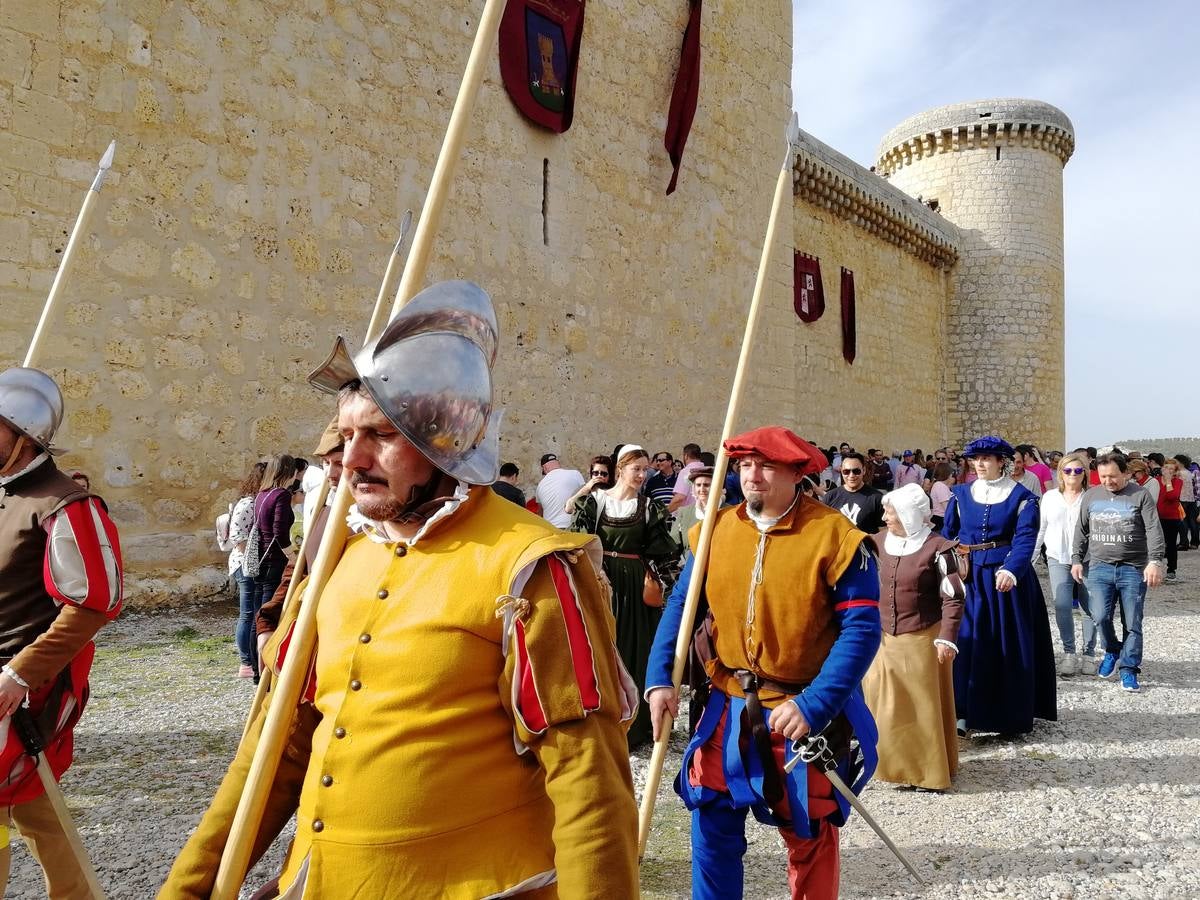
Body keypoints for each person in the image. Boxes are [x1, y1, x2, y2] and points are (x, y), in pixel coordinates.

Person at [162, 281, 639, 898]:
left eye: (381, 435)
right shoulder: (341, 562)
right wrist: (188, 888)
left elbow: (588, 778)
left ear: (445, 440)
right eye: (345, 435)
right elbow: (273, 753)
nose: (351, 459)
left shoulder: (529, 564)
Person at [646, 426, 881, 900]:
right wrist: (658, 680)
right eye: (745, 464)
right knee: (710, 820)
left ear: (798, 472)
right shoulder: (715, 529)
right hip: (726, 704)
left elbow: (862, 631)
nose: (752, 475)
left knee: (808, 833)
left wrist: (816, 704)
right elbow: (681, 604)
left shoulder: (837, 538)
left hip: (799, 712)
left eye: (766, 465)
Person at [0, 367, 123, 898]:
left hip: (19, 694)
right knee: (23, 811)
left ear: (22, 436)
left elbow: (95, 604)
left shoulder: (66, 505)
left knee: (31, 807)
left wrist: (20, 674)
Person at [942, 436, 1056, 736]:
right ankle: (962, 711)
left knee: (1004, 643)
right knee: (966, 639)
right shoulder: (960, 494)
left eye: (987, 458)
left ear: (1001, 462)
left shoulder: (1022, 498)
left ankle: (1007, 715)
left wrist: (1011, 569)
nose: (980, 464)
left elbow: (1024, 539)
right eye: (975, 459)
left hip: (1004, 578)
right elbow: (947, 535)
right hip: (969, 576)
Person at [571, 444, 679, 748]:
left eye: (646, 470)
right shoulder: (594, 503)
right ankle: (598, 721)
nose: (643, 475)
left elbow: (664, 554)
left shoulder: (648, 508)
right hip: (600, 582)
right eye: (637, 469)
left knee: (635, 649)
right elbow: (578, 543)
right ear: (621, 468)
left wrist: (677, 588)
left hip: (634, 587)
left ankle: (635, 727)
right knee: (599, 649)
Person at [863, 483, 963, 791]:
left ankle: (927, 773)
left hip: (922, 636)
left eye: (890, 512)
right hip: (882, 637)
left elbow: (953, 596)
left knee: (922, 706)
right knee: (885, 704)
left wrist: (947, 637)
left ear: (909, 515)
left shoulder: (939, 548)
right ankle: (893, 767)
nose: (885, 517)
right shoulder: (875, 542)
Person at [1072, 452, 1165, 694]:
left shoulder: (1140, 495)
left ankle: (1129, 669)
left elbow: (1154, 529)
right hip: (1100, 567)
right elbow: (1081, 531)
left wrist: (1155, 561)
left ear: (1125, 473)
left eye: (1113, 476)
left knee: (1132, 621)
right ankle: (1112, 650)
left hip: (1133, 568)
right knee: (1100, 616)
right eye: (1103, 476)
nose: (1107, 481)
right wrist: (1076, 560)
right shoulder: (1091, 495)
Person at [1033, 452, 1096, 676]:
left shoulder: (1091, 497)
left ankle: (1089, 654)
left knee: (1090, 607)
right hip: (1057, 557)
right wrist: (1031, 558)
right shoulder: (1049, 497)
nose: (1072, 474)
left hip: (1088, 558)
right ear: (1060, 473)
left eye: (1078, 470)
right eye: (1068, 470)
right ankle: (1069, 652)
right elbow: (1041, 528)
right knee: (1061, 605)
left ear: (1084, 474)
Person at [245, 454, 296, 681]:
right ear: (289, 472)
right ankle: (265, 671)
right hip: (274, 560)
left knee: (258, 613)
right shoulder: (282, 495)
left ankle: (256, 669)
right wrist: (293, 555)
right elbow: (279, 532)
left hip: (260, 560)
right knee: (269, 616)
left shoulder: (261, 495)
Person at [229, 460, 267, 678]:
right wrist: (256, 562)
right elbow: (239, 539)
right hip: (245, 565)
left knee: (252, 612)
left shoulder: (257, 501)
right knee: (247, 613)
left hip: (251, 564)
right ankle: (245, 661)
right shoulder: (248, 503)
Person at [822, 451, 885, 533]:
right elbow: (825, 529)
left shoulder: (877, 498)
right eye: (846, 471)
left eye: (856, 471)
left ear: (864, 470)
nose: (851, 475)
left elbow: (883, 532)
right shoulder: (830, 497)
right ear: (841, 471)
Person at [533, 452, 585, 529]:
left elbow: (540, 514)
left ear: (544, 468)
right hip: (573, 526)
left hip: (552, 529)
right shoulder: (575, 474)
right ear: (558, 463)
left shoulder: (540, 485)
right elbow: (585, 495)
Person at [1155, 458, 1186, 581]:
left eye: (1171, 469)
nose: (1168, 470)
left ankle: (1171, 569)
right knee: (1157, 543)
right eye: (1166, 467)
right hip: (1156, 517)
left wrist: (1168, 481)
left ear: (1175, 472)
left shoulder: (1177, 482)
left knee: (1171, 544)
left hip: (1172, 517)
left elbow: (1172, 496)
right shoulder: (1155, 481)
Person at [668, 443, 705, 514]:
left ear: (686, 456)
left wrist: (665, 513)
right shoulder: (708, 471)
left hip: (688, 516)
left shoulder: (686, 472)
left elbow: (679, 498)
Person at [928, 462, 955, 529]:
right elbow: (947, 507)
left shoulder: (939, 485)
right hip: (941, 520)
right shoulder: (940, 486)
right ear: (948, 474)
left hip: (939, 519)